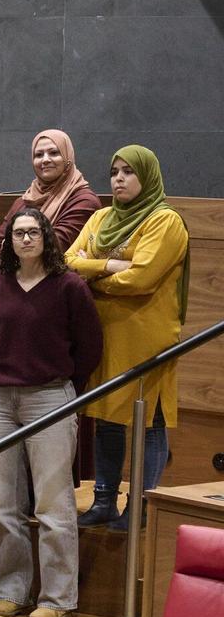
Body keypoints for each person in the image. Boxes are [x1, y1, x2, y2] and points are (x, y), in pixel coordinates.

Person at [0, 206, 102, 617]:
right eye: (18, 233)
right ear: (10, 241)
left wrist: (65, 387)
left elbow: (89, 345)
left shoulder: (68, 285)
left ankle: (56, 597)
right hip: (0, 399)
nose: (25, 239)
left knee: (53, 505)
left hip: (49, 397)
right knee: (3, 502)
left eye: (33, 232)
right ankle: (10, 591)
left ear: (46, 237)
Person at [70, 146, 191, 532]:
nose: (119, 179)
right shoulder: (102, 217)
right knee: (106, 419)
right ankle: (104, 499)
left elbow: (140, 279)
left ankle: (141, 502)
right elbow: (69, 262)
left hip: (147, 338)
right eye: (114, 172)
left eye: (128, 172)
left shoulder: (165, 221)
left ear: (148, 176)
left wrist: (95, 278)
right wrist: (107, 264)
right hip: (104, 334)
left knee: (148, 422)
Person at [0, 130, 101, 262]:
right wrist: (9, 270)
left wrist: (8, 251)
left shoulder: (84, 201)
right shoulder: (23, 201)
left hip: (58, 280)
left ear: (67, 157)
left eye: (54, 153)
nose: (45, 160)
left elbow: (54, 247)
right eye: (39, 155)